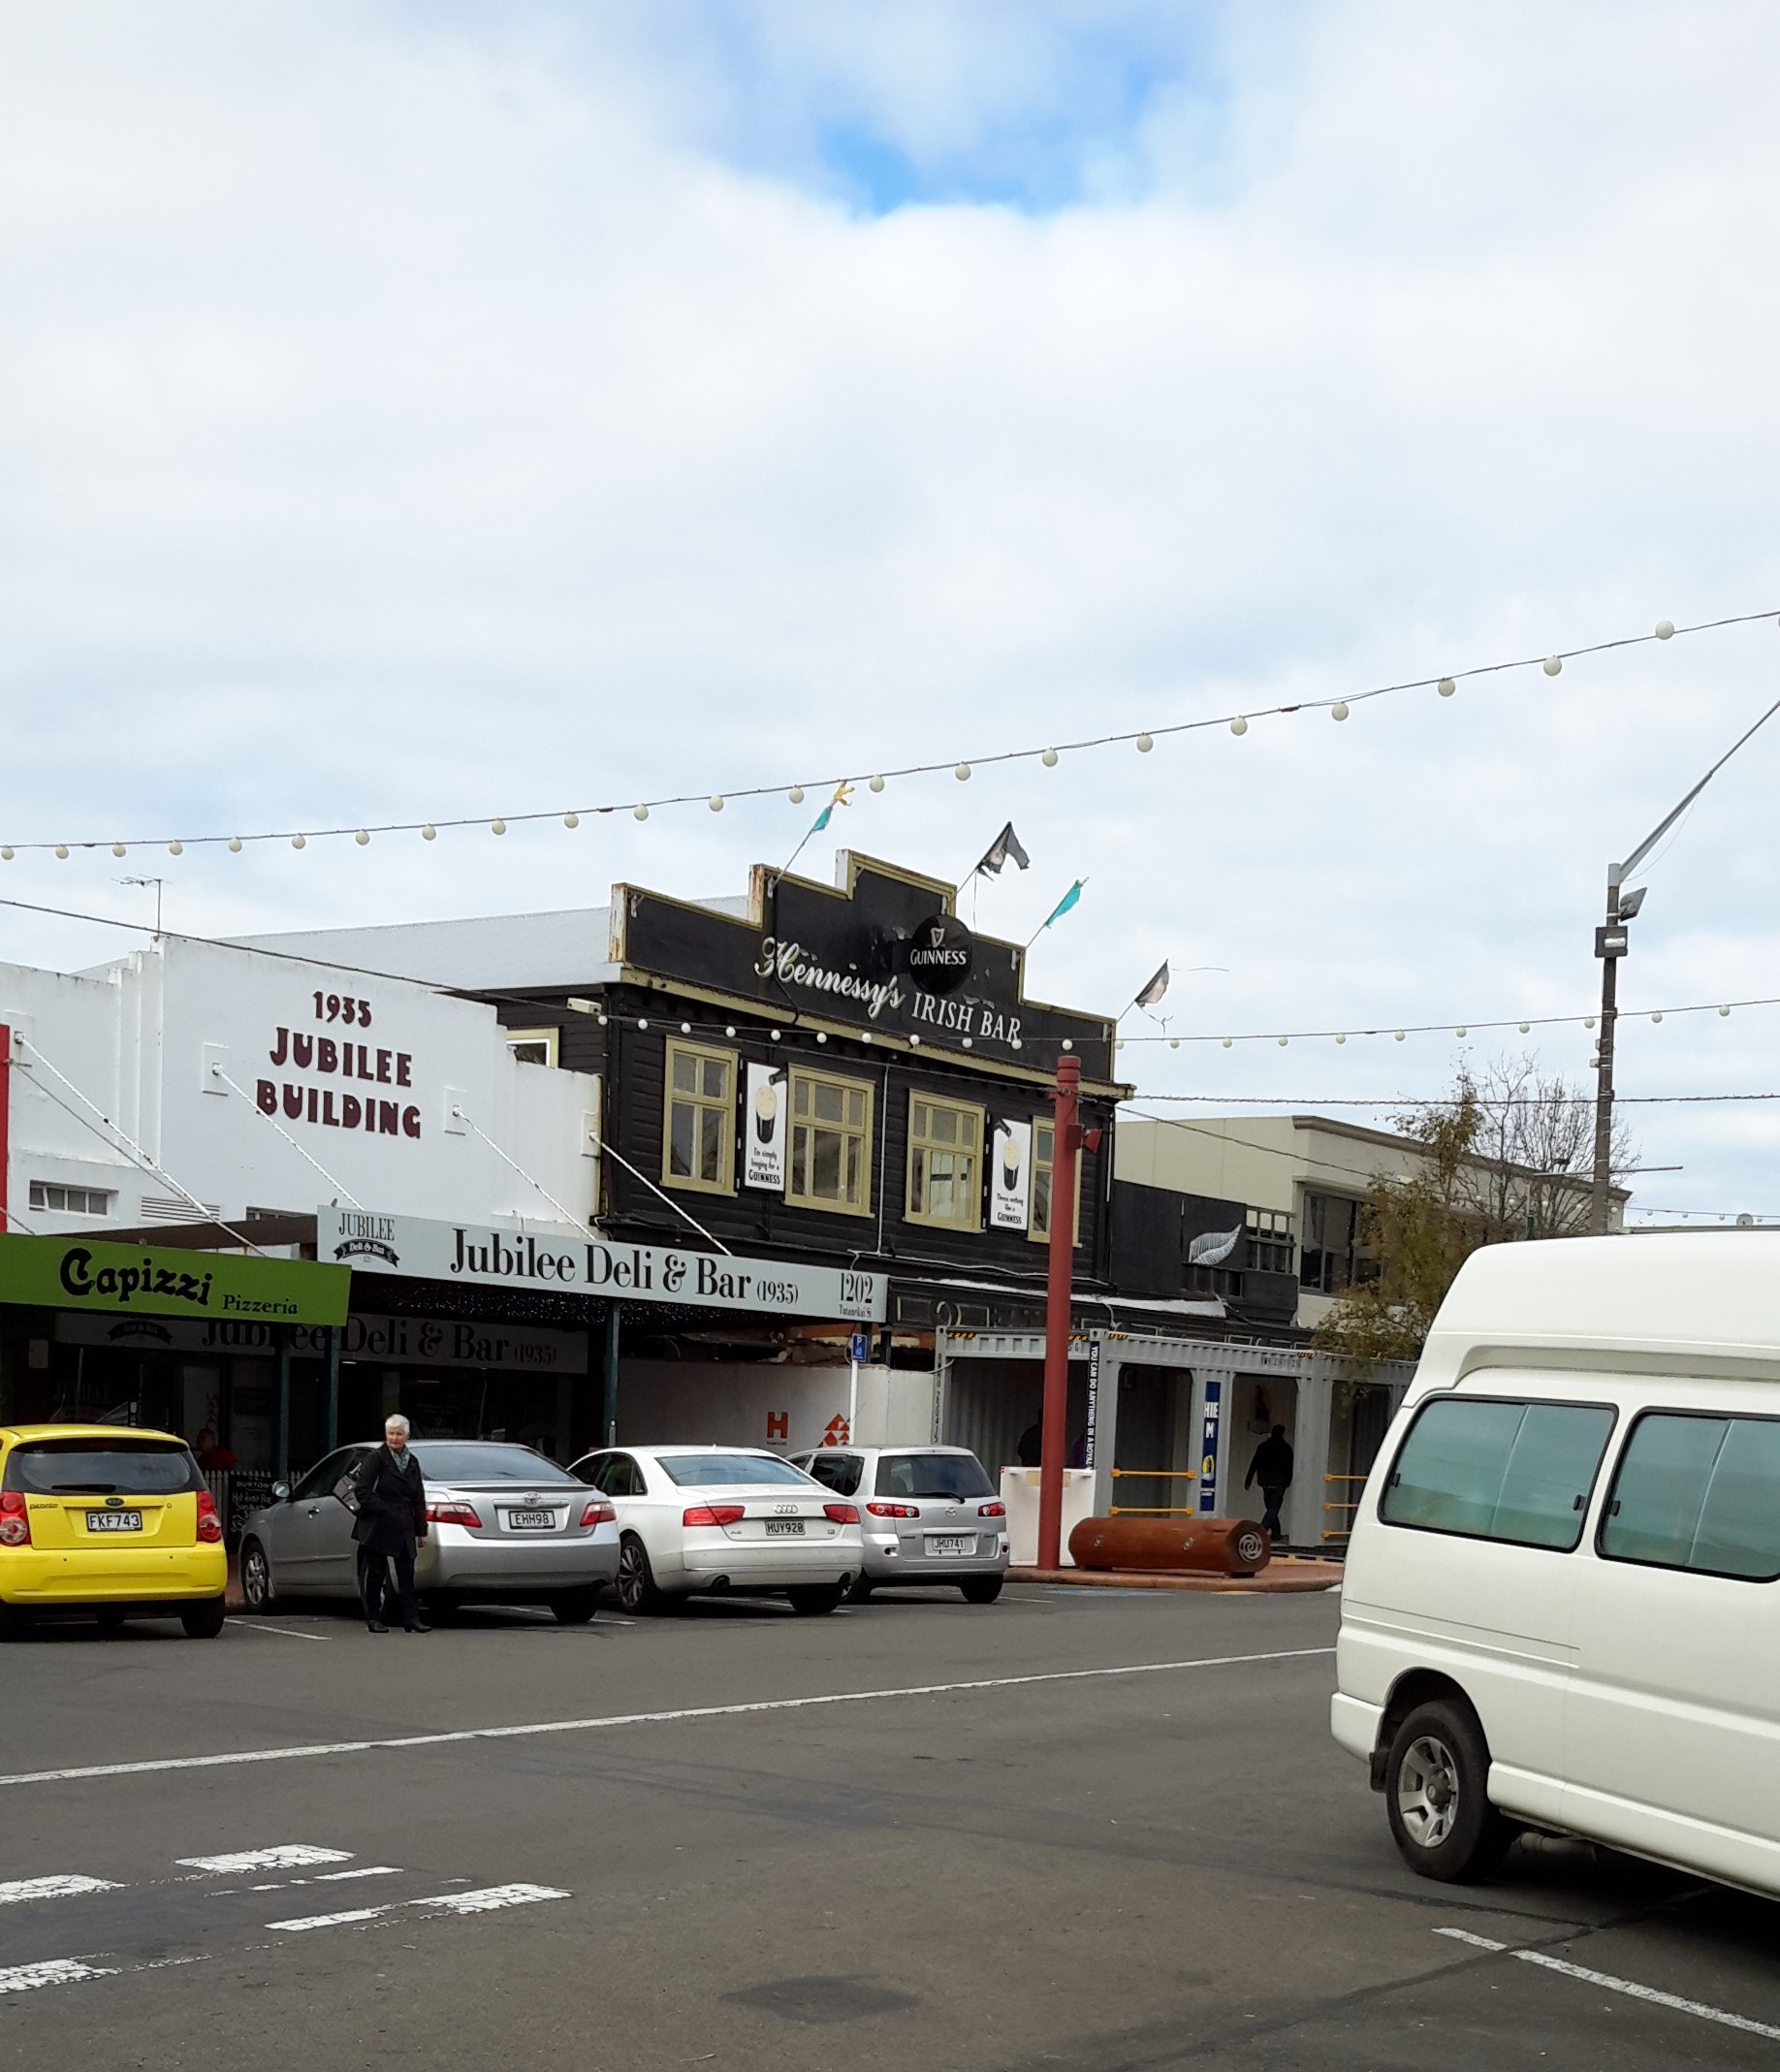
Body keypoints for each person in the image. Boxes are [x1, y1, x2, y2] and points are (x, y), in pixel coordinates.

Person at [350, 1415, 429, 1634]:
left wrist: (421, 1529)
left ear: (407, 1436)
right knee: (375, 1573)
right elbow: (362, 1491)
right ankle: (374, 1618)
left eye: (399, 1434)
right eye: (391, 1433)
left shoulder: (412, 1462)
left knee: (406, 1574)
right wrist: (384, 1509)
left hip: (404, 1523)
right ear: (385, 1435)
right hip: (378, 1523)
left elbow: (418, 1497)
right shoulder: (376, 1458)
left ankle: (411, 1618)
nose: (395, 1438)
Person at [1245, 1424, 1294, 1544]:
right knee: (1273, 1509)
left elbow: (1254, 1463)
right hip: (1279, 1482)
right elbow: (1289, 1467)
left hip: (1265, 1481)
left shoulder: (1263, 1447)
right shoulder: (1286, 1448)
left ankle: (1276, 1533)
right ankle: (1261, 1531)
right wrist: (1288, 1481)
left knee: (1271, 1508)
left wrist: (1248, 1480)